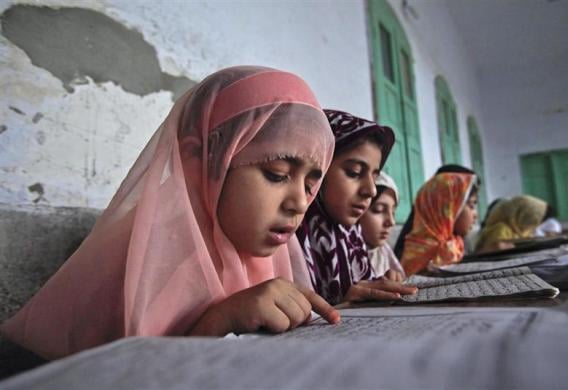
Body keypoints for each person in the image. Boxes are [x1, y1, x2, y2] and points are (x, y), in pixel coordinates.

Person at [1, 66, 341, 360]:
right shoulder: (141, 265)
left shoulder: (260, 255)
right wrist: (216, 323)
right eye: (278, 174)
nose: (299, 202)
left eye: (312, 184)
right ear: (198, 159)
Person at [296, 109, 417, 305]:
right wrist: (343, 306)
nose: (370, 190)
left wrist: (379, 285)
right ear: (318, 170)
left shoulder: (352, 238)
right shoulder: (287, 242)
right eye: (354, 172)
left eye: (375, 177)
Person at [400, 172, 479, 275]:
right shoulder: (418, 254)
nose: (475, 214)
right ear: (448, 208)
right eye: (471, 205)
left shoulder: (455, 244)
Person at [360, 171, 405, 281]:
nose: (391, 222)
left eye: (393, 212)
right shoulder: (341, 257)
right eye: (378, 210)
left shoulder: (383, 251)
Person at [474, 195, 549, 253]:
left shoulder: (523, 231)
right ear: (521, 214)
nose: (533, 223)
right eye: (531, 218)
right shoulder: (501, 229)